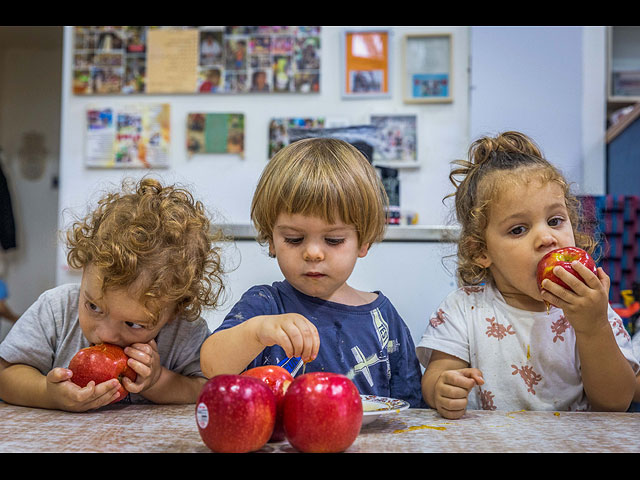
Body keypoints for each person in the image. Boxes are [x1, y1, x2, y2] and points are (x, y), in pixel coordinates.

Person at [418, 131, 639, 419]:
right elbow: (438, 373)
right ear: (481, 251)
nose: (547, 237)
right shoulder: (464, 308)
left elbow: (615, 403)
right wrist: (441, 387)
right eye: (518, 229)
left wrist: (593, 326)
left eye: (555, 221)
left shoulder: (593, 310)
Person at [200, 138, 425, 407]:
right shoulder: (265, 305)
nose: (314, 253)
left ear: (363, 241)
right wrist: (257, 332)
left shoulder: (384, 319)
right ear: (271, 239)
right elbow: (211, 366)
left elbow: (411, 409)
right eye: (294, 239)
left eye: (334, 240)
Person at [0, 178, 226, 411]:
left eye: (133, 323)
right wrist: (47, 393)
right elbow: (5, 374)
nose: (105, 334)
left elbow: (205, 387)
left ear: (175, 310)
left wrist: (157, 381)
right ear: (85, 269)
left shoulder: (184, 332)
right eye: (94, 307)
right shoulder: (56, 310)